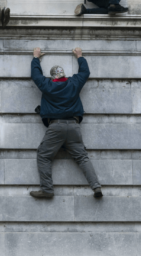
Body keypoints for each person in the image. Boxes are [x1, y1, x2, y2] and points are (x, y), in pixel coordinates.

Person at [30, 47, 102, 199]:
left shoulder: (47, 85)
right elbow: (85, 73)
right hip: (74, 126)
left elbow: (36, 76)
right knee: (82, 157)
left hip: (56, 127)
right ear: (63, 75)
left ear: (53, 77)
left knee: (43, 155)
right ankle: (96, 186)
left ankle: (47, 189)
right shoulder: (73, 83)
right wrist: (80, 57)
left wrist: (36, 58)